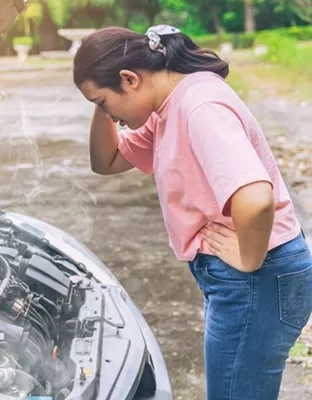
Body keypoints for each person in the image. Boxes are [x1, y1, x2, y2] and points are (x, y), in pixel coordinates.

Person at [73, 25, 312, 400]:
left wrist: (249, 260)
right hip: (250, 278)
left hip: (257, 277)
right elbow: (107, 160)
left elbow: (256, 197)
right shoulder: (168, 105)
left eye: (103, 102)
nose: (107, 114)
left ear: (129, 78)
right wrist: (103, 102)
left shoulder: (199, 109)